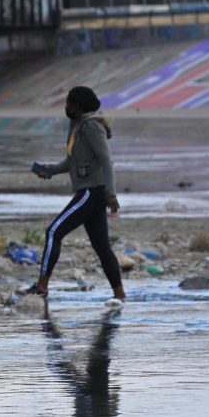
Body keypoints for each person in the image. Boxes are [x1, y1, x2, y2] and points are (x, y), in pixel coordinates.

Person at [28, 86, 125, 301]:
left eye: (68, 103)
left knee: (53, 232)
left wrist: (111, 193)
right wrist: (50, 170)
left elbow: (106, 161)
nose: (66, 107)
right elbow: (73, 162)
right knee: (102, 248)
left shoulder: (91, 127)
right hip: (90, 192)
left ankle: (42, 287)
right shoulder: (76, 126)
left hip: (92, 192)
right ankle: (120, 297)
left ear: (78, 106)